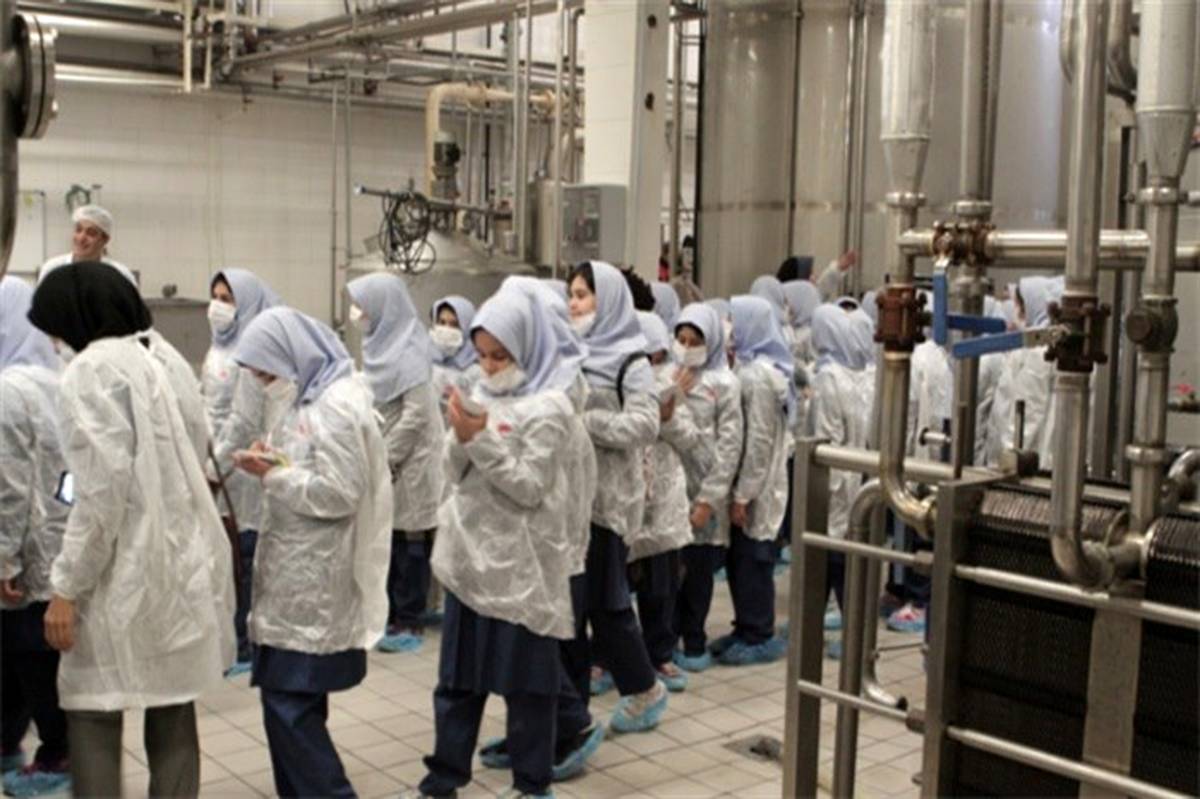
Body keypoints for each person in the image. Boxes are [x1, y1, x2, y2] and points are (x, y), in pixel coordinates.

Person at [27, 262, 235, 798]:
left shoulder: (91, 370)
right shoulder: (163, 357)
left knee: (92, 708)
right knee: (173, 705)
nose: (54, 341)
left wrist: (66, 587)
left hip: (120, 574)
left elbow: (99, 495)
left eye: (55, 328)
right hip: (179, 565)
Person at [415, 287, 576, 799]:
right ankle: (443, 780)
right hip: (469, 562)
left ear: (528, 348)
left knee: (528, 687)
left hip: (522, 570)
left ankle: (532, 783)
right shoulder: (479, 393)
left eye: (500, 356)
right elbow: (451, 471)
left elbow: (529, 487)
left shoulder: (550, 408)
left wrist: (479, 439)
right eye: (482, 355)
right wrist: (460, 434)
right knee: (458, 682)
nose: (488, 367)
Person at [231, 307, 391, 798]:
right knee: (293, 703)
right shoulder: (304, 398)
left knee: (290, 707)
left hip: (314, 584)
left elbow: (341, 492)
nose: (265, 385)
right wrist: (273, 459)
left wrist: (273, 476)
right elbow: (309, 465)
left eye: (267, 374)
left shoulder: (334, 405)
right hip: (292, 577)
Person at [475, 276, 605, 785]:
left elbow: (545, 479)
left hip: (548, 532)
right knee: (525, 638)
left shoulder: (556, 384)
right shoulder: (529, 374)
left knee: (537, 640)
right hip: (520, 531)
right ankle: (535, 732)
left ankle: (568, 725)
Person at [567, 260, 669, 732]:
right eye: (571, 295)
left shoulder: (632, 361)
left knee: (606, 604)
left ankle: (644, 688)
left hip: (608, 500)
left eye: (583, 295)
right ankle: (572, 710)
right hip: (571, 497)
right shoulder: (571, 352)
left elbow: (645, 425)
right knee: (572, 607)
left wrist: (588, 424)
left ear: (607, 300)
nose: (574, 304)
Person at [347, 273, 445, 654]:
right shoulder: (378, 346)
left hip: (413, 460)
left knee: (410, 539)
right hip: (389, 455)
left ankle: (410, 617)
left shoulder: (409, 352)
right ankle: (393, 612)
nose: (358, 313)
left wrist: (386, 456)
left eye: (363, 306)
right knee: (390, 536)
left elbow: (416, 415)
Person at [0, 277, 71, 797]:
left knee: (26, 656)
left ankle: (55, 753)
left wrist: (3, 557)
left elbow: (8, 486)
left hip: (24, 550)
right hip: (57, 542)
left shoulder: (9, 390)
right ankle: (14, 740)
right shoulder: (59, 380)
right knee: (32, 655)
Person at [201, 268, 281, 672]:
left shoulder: (252, 352)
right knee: (226, 559)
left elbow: (244, 421)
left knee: (244, 558)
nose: (218, 306)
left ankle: (246, 644)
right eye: (215, 297)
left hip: (239, 471)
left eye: (227, 299)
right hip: (216, 462)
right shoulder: (217, 348)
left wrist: (215, 468)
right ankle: (231, 639)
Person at [709, 295, 793, 665]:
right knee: (741, 559)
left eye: (734, 318)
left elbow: (758, 442)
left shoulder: (759, 377)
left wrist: (743, 495)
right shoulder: (751, 368)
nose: (729, 326)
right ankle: (745, 626)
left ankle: (759, 633)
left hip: (757, 486)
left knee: (753, 560)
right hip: (750, 482)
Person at [625, 311, 704, 690]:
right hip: (625, 497)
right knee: (613, 587)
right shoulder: (617, 379)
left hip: (663, 501)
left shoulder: (673, 382)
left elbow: (690, 438)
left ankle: (660, 654)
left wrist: (667, 417)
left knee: (661, 585)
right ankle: (607, 658)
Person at [670, 303, 744, 671]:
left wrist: (709, 499)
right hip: (672, 490)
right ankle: (667, 639)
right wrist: (673, 392)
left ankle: (694, 640)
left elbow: (729, 446)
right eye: (681, 339)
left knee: (698, 572)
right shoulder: (671, 375)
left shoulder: (724, 384)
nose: (686, 348)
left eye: (694, 341)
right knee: (670, 573)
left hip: (704, 491)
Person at [807, 303, 875, 659]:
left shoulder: (829, 378)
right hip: (857, 481)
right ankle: (851, 632)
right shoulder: (862, 373)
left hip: (834, 484)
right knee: (845, 560)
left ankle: (843, 635)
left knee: (832, 560)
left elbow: (826, 441)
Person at [984, 276, 1062, 467]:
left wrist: (1009, 461)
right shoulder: (1044, 350)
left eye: (1021, 307)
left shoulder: (1038, 353)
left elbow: (1026, 415)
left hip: (1026, 461)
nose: (1016, 313)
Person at [37, 206, 136, 287]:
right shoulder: (52, 268)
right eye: (78, 230)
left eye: (91, 233)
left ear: (105, 240)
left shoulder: (120, 274)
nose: (81, 238)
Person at [428, 295, 483, 419]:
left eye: (454, 324)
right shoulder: (424, 362)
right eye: (442, 322)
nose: (446, 329)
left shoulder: (476, 372)